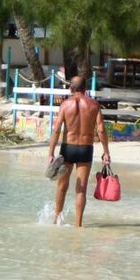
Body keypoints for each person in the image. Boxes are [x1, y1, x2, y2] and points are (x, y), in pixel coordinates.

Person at [45, 74, 111, 227]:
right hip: (85, 148)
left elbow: (56, 129)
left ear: (71, 88)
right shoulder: (94, 105)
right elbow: (101, 129)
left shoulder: (65, 105)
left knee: (62, 185)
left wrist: (50, 153)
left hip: (68, 147)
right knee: (81, 189)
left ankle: (57, 220)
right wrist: (106, 152)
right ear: (85, 88)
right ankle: (78, 225)